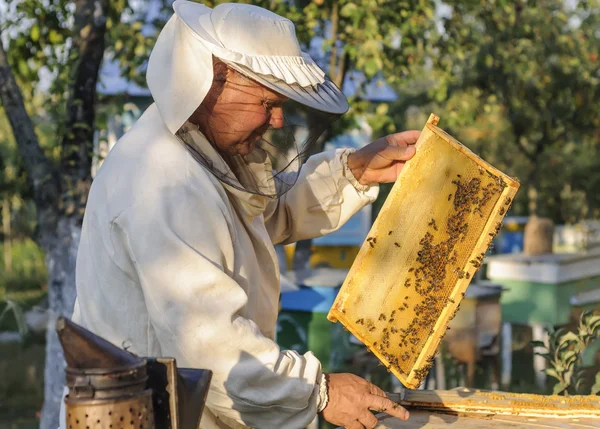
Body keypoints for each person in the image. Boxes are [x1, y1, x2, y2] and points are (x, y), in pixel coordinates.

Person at [62, 1, 420, 428]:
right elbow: (214, 348)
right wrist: (317, 391)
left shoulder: (199, 153)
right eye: (267, 102)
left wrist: (353, 173)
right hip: (146, 417)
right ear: (210, 82)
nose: (278, 118)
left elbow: (259, 217)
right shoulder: (163, 184)